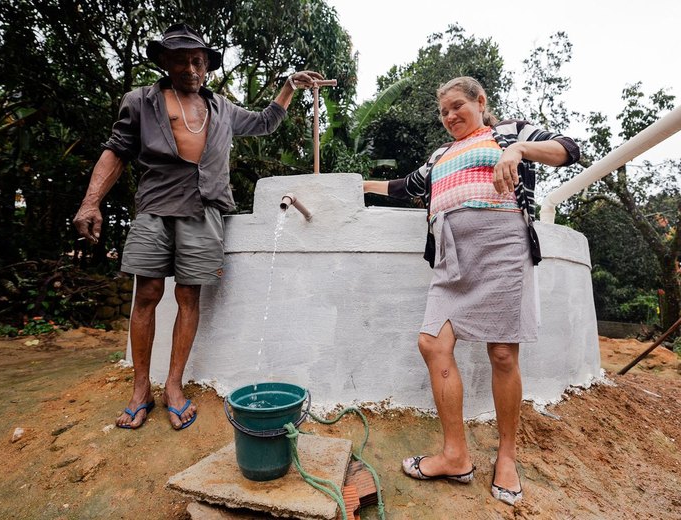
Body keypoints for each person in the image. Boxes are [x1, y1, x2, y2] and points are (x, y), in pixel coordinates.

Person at [73, 23, 323, 430]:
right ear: (165, 63)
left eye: (197, 60)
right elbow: (115, 151)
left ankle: (174, 386)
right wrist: (91, 201)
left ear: (206, 65)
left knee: (189, 296)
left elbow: (264, 122)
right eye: (181, 60)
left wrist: (289, 87)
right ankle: (140, 390)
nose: (190, 68)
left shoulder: (222, 107)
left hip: (204, 209)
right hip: (155, 207)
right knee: (148, 293)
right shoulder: (141, 102)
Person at [363, 76, 579, 505]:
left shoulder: (509, 133)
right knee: (432, 343)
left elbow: (569, 149)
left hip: (502, 250)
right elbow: (407, 187)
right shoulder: (440, 154)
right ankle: (455, 454)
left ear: (480, 101)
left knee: (502, 354)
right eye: (443, 112)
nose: (449, 117)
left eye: (457, 106)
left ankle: (507, 457)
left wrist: (517, 150)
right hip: (451, 257)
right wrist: (359, 186)